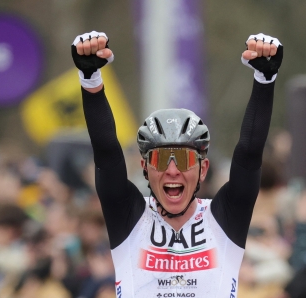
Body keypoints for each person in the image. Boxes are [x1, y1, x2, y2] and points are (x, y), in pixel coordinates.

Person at [71, 30, 283, 296]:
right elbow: (106, 153)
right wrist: (90, 80)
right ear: (145, 168)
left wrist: (265, 80)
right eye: (160, 159)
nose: (172, 170)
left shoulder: (226, 218)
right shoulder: (128, 216)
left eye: (183, 159)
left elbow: (249, 154)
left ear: (203, 169)